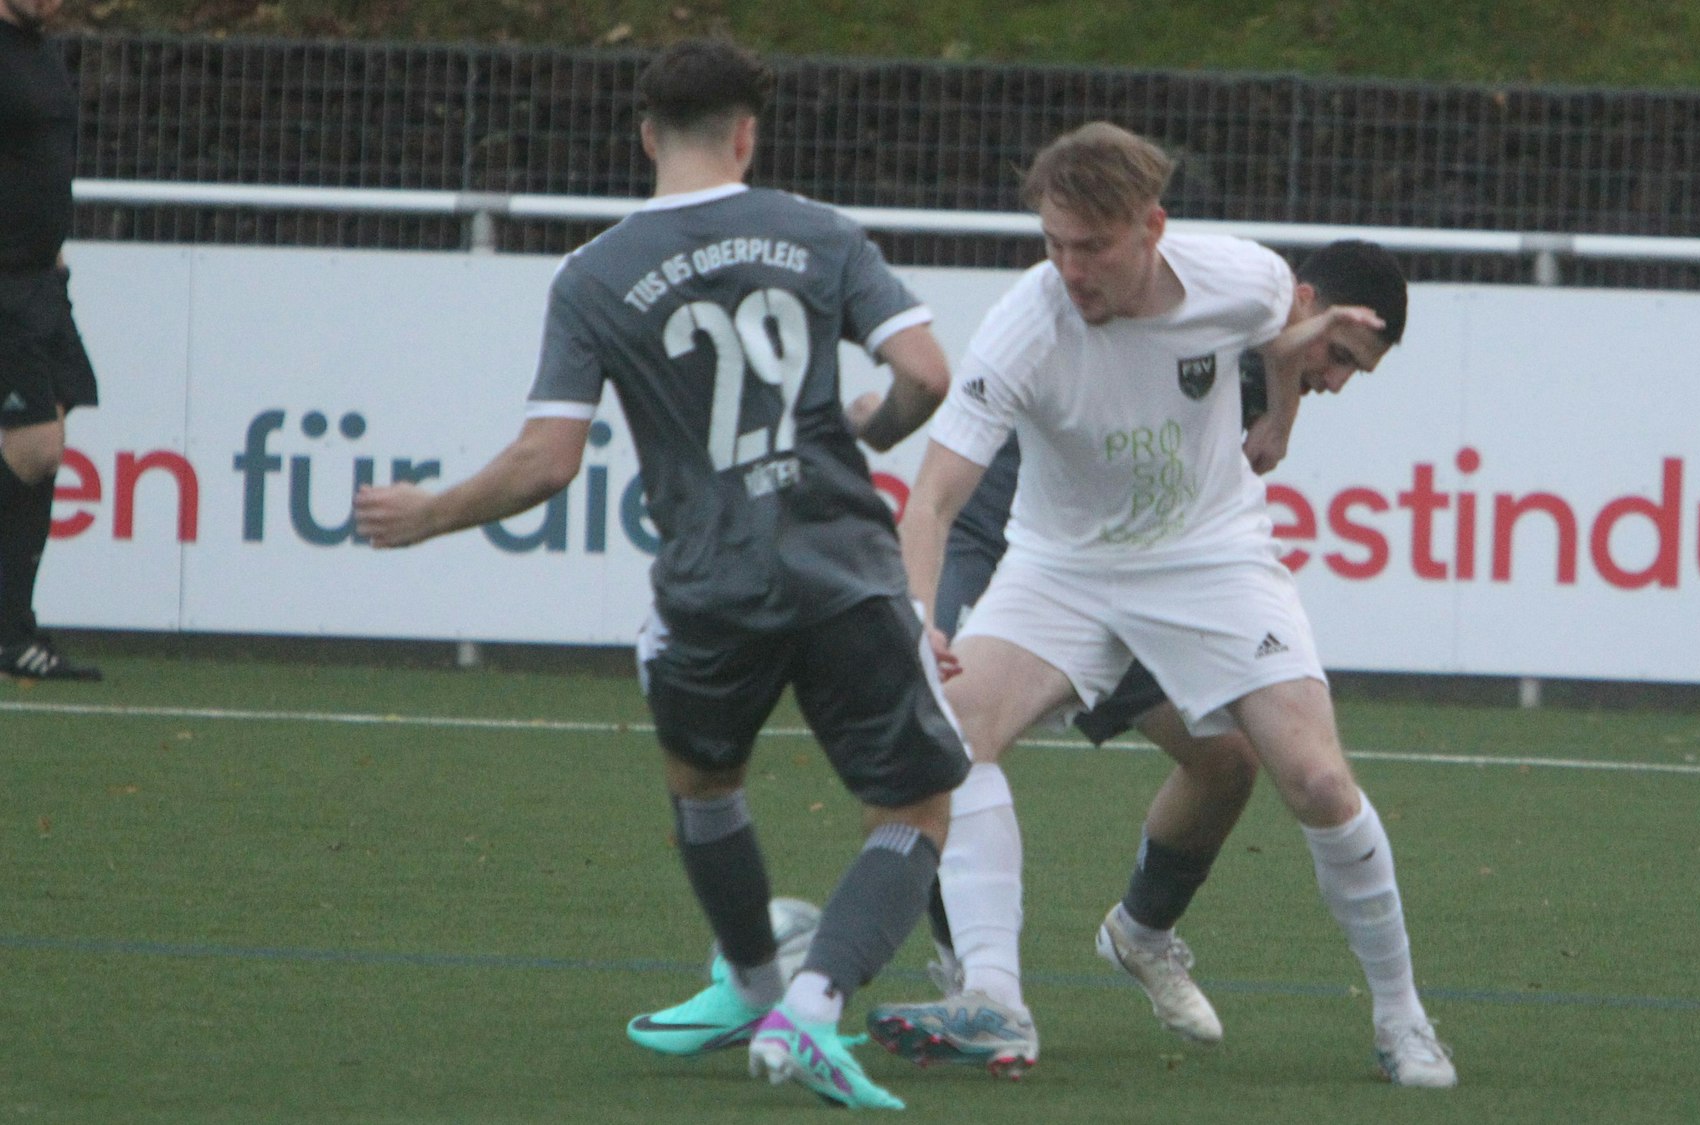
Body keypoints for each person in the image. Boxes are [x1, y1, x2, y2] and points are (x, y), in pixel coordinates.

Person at [354, 38, 968, 1111]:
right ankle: (813, 1004)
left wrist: (431, 514)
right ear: (747, 134)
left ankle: (753, 985)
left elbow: (547, 461)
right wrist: (874, 425)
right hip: (844, 565)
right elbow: (924, 373)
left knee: (704, 785)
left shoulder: (594, 272)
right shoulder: (820, 232)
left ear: (646, 136)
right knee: (912, 808)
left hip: (711, 580)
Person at [863, 123, 1456, 1088]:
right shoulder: (1023, 323)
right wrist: (918, 615)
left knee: (1313, 779)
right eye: (1055, 243)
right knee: (945, 738)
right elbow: (930, 499)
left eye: (1092, 247)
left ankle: (1402, 1018)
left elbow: (1285, 339)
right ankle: (993, 995)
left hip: (1209, 556)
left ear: (1152, 227)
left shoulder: (1247, 276)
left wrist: (1279, 419)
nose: (1069, 269)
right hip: (1060, 567)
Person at [0, 0, 102, 682]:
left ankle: (12, 630)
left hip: (41, 277)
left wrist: (52, 250)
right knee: (36, 446)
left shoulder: (38, 50)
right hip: (6, 283)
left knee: (49, 439)